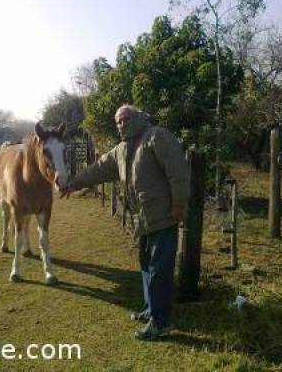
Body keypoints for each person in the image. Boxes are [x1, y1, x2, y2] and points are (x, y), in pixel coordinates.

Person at [60, 104, 188, 340]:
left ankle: (161, 322)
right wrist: (73, 183)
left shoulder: (156, 136)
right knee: (146, 265)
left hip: (164, 215)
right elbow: (98, 170)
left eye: (126, 118)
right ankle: (151, 310)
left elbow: (177, 170)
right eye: (118, 121)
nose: (122, 124)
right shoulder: (121, 149)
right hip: (143, 218)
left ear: (138, 116)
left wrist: (179, 204)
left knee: (159, 269)